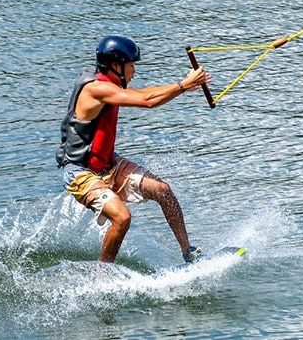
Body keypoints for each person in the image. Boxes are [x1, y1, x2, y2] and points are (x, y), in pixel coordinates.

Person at [56, 35, 211, 264]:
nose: (134, 72)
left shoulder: (110, 84)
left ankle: (189, 252)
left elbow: (144, 93)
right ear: (116, 65)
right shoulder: (96, 90)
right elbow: (146, 100)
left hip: (109, 163)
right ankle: (103, 276)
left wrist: (182, 88)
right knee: (122, 217)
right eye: (131, 66)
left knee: (162, 190)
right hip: (80, 173)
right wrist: (183, 86)